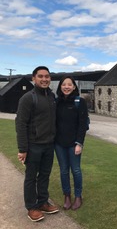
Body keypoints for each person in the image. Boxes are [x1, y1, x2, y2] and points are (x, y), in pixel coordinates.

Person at [16, 66, 59, 222]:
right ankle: (32, 207)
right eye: (40, 76)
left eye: (47, 76)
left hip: (49, 144)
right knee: (31, 177)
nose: (44, 79)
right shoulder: (28, 98)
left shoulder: (51, 97)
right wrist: (22, 149)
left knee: (45, 176)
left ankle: (42, 202)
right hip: (33, 145)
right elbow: (20, 124)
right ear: (33, 78)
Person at [55, 76, 88, 210]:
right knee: (63, 171)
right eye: (64, 84)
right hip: (59, 143)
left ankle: (78, 196)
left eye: (70, 84)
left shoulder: (80, 102)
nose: (67, 87)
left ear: (74, 87)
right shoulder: (56, 102)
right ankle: (67, 196)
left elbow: (82, 124)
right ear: (60, 86)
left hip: (74, 143)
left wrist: (79, 143)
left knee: (75, 170)